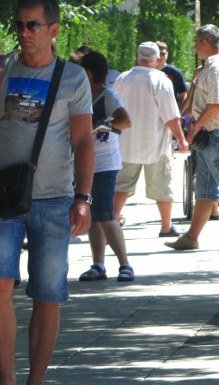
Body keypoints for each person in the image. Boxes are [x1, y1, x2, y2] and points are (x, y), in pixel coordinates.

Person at [0, 1, 95, 385]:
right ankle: (7, 380)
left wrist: (83, 197)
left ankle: (35, 382)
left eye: (33, 25)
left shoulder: (72, 77)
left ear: (53, 30)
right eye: (20, 25)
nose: (24, 32)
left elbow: (84, 140)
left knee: (47, 292)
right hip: (3, 194)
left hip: (54, 197)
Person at [165, 24, 219, 250]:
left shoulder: (217, 69)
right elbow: (196, 102)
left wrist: (194, 129)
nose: (195, 47)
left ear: (205, 43)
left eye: (196, 43)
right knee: (206, 190)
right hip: (212, 135)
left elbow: (216, 104)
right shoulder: (210, 67)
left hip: (218, 135)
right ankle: (191, 237)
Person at [113, 42, 189, 237]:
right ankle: (166, 226)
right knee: (162, 185)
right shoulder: (161, 81)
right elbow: (171, 115)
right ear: (156, 60)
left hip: (125, 143)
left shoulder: (123, 78)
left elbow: (111, 107)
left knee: (121, 185)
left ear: (137, 57)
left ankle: (112, 221)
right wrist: (181, 139)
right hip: (155, 144)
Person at [76, 50, 135, 282]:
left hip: (104, 164)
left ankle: (125, 264)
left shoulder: (107, 97)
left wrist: (101, 124)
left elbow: (125, 120)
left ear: (88, 74)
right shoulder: (83, 97)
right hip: (84, 163)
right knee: (93, 214)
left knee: (106, 215)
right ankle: (98, 264)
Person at [155, 41, 188, 109]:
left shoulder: (175, 73)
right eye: (157, 54)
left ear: (167, 54)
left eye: (163, 54)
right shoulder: (147, 71)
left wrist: (180, 112)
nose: (160, 57)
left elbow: (183, 95)